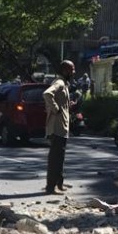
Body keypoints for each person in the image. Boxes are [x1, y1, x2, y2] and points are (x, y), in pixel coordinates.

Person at [43, 60, 75, 195]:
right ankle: (51, 187)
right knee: (55, 158)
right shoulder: (59, 83)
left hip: (62, 127)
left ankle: (59, 184)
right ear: (65, 71)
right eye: (71, 71)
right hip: (57, 127)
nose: (73, 74)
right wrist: (56, 109)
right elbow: (47, 94)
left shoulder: (64, 84)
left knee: (60, 157)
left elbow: (61, 102)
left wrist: (68, 105)